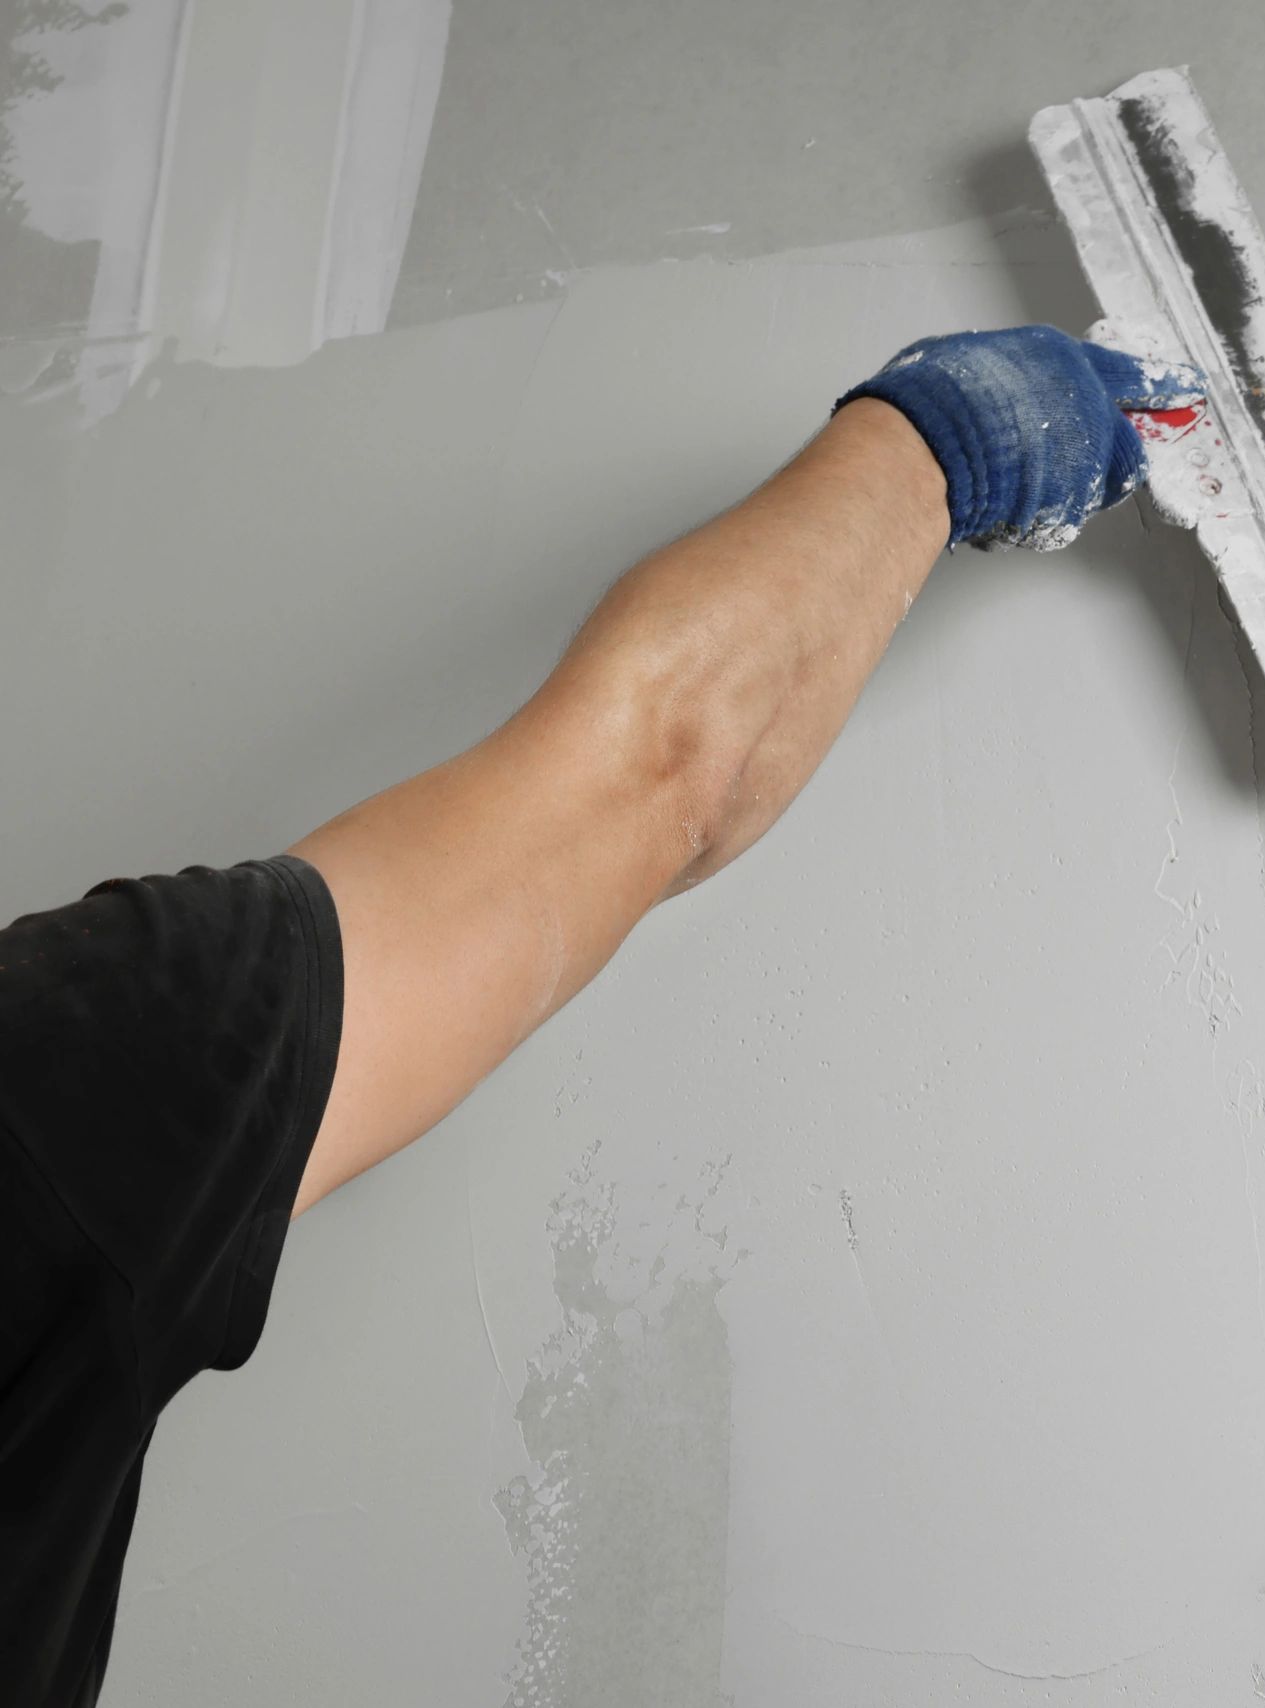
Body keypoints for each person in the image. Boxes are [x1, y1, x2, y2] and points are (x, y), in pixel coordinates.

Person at [0, 326, 1204, 1707]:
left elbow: (657, 770)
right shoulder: (43, 1124)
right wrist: (944, 443)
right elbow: (653, 770)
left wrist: (941, 445)